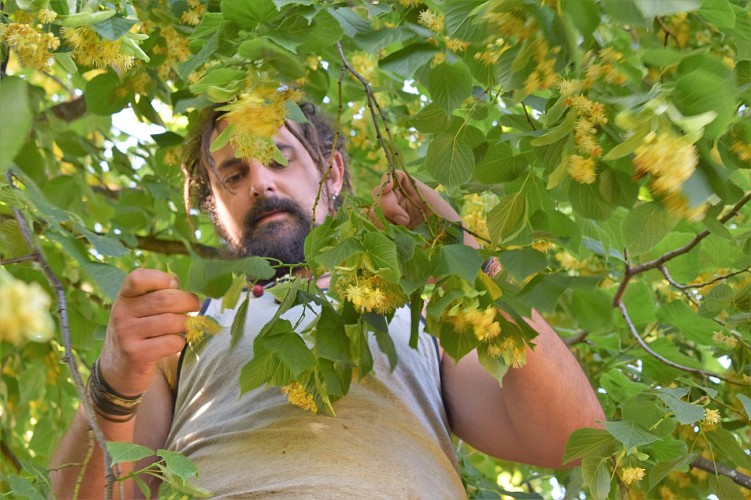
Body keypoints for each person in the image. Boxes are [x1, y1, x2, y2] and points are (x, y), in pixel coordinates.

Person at [50, 103, 605, 498]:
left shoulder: (422, 312)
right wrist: (113, 379)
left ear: (332, 172)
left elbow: (574, 442)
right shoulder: (183, 329)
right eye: (235, 173)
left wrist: (468, 261)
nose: (262, 182)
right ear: (214, 208)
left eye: (278, 157)